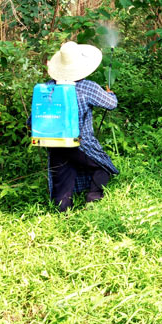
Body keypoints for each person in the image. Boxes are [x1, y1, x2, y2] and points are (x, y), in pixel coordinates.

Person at [43, 41, 119, 212]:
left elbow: (33, 119)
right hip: (80, 143)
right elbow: (111, 104)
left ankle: (62, 215)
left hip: (54, 142)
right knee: (103, 166)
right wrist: (110, 93)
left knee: (63, 177)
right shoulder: (87, 86)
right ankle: (93, 201)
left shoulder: (47, 87)